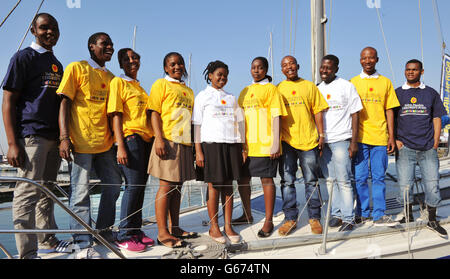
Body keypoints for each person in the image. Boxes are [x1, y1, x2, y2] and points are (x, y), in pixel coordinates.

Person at [1, 13, 71, 259]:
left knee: (48, 192)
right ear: (33, 29)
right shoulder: (23, 58)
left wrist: (64, 137)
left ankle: (47, 240)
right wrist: (12, 143)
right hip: (31, 135)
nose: (50, 32)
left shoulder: (56, 63)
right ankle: (27, 253)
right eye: (44, 28)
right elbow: (8, 100)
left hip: (53, 136)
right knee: (27, 193)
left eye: (54, 27)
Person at [57, 32, 122, 251]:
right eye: (105, 43)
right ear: (91, 46)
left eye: (111, 44)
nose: (110, 47)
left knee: (114, 185)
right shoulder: (77, 68)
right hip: (81, 142)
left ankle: (103, 231)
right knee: (80, 193)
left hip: (105, 144)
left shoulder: (112, 78)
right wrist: (64, 138)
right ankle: (82, 242)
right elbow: (64, 103)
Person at [147, 52, 197, 248]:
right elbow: (154, 113)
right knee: (166, 187)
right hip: (167, 140)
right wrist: (159, 139)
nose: (177, 67)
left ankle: (175, 227)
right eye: (172, 64)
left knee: (178, 188)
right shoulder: (161, 84)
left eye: (180, 63)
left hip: (184, 143)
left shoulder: (189, 90)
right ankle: (162, 233)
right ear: (166, 68)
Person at [107, 48, 155, 252]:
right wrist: (121, 146)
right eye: (127, 59)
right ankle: (124, 233)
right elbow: (116, 115)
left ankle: (135, 229)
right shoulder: (119, 83)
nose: (132, 61)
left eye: (135, 58)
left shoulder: (140, 88)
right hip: (130, 138)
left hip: (145, 140)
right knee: (133, 186)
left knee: (140, 186)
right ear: (120, 64)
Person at [394, 59, 448, 237]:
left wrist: (435, 142)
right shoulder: (398, 93)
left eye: (414, 70)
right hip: (405, 146)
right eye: (408, 69)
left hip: (427, 148)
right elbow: (391, 118)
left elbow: (437, 118)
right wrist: (395, 139)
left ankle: (432, 219)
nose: (410, 72)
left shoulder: (430, 93)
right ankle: (408, 216)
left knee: (432, 185)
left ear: (421, 72)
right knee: (404, 186)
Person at [192, 60, 244, 244]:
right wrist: (198, 151)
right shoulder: (202, 96)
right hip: (211, 144)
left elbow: (239, 123)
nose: (222, 77)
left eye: (225, 75)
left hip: (231, 144)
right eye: (218, 74)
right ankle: (214, 227)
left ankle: (228, 225)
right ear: (211, 75)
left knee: (229, 186)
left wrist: (242, 145)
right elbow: (197, 125)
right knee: (214, 186)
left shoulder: (231, 97)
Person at [277, 55, 329, 235]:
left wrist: (321, 135)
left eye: (291, 63)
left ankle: (314, 217)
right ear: (281, 69)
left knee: (311, 181)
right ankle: (290, 218)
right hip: (287, 142)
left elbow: (318, 112)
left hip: (308, 141)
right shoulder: (279, 89)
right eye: (285, 65)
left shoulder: (309, 86)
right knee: (287, 181)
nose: (289, 67)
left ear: (298, 65)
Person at [238, 57, 287, 238]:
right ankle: (246, 214)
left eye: (260, 68)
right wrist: (241, 145)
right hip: (248, 146)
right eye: (253, 67)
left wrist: (275, 143)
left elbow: (276, 117)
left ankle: (268, 220)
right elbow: (240, 119)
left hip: (266, 145)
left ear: (266, 69)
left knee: (267, 180)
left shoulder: (272, 90)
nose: (256, 70)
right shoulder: (244, 91)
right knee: (243, 179)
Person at [350, 46, 400, 226]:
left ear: (377, 60)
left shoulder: (385, 82)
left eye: (371, 58)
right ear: (360, 60)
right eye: (364, 58)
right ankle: (362, 213)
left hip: (380, 137)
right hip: (360, 139)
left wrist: (391, 136)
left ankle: (379, 214)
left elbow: (389, 110)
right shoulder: (353, 82)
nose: (368, 61)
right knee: (360, 178)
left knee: (379, 177)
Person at [317, 55, 362, 231]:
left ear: (336, 68)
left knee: (344, 180)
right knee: (330, 180)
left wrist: (354, 141)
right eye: (322, 67)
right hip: (324, 142)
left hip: (342, 139)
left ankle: (348, 218)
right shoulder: (317, 88)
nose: (324, 70)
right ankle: (335, 214)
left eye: (328, 67)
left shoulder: (346, 86)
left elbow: (355, 114)